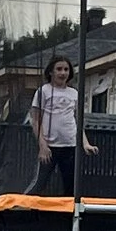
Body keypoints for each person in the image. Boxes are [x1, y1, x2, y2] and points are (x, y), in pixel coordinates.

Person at [28, 54, 96, 198]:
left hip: (70, 145)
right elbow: (35, 120)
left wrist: (85, 143)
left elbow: (78, 121)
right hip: (50, 146)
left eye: (66, 69)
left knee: (70, 185)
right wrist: (42, 145)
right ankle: (20, 209)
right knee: (39, 183)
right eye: (59, 69)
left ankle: (68, 217)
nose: (62, 73)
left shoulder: (74, 94)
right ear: (51, 72)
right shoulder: (44, 91)